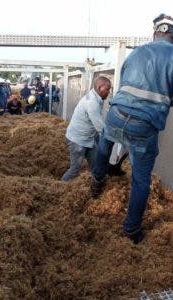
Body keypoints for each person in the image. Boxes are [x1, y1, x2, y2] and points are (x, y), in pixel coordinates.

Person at [90, 14, 173, 244]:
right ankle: (131, 229)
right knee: (140, 179)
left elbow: (125, 83)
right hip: (143, 124)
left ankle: (97, 181)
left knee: (105, 143)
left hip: (116, 113)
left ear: (154, 34)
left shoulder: (136, 52)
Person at [61, 76, 112, 181]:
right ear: (99, 87)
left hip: (89, 139)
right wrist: (114, 138)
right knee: (75, 169)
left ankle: (95, 187)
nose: (109, 92)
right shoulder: (92, 102)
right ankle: (59, 187)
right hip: (77, 140)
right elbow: (100, 127)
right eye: (107, 89)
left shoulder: (96, 97)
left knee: (95, 166)